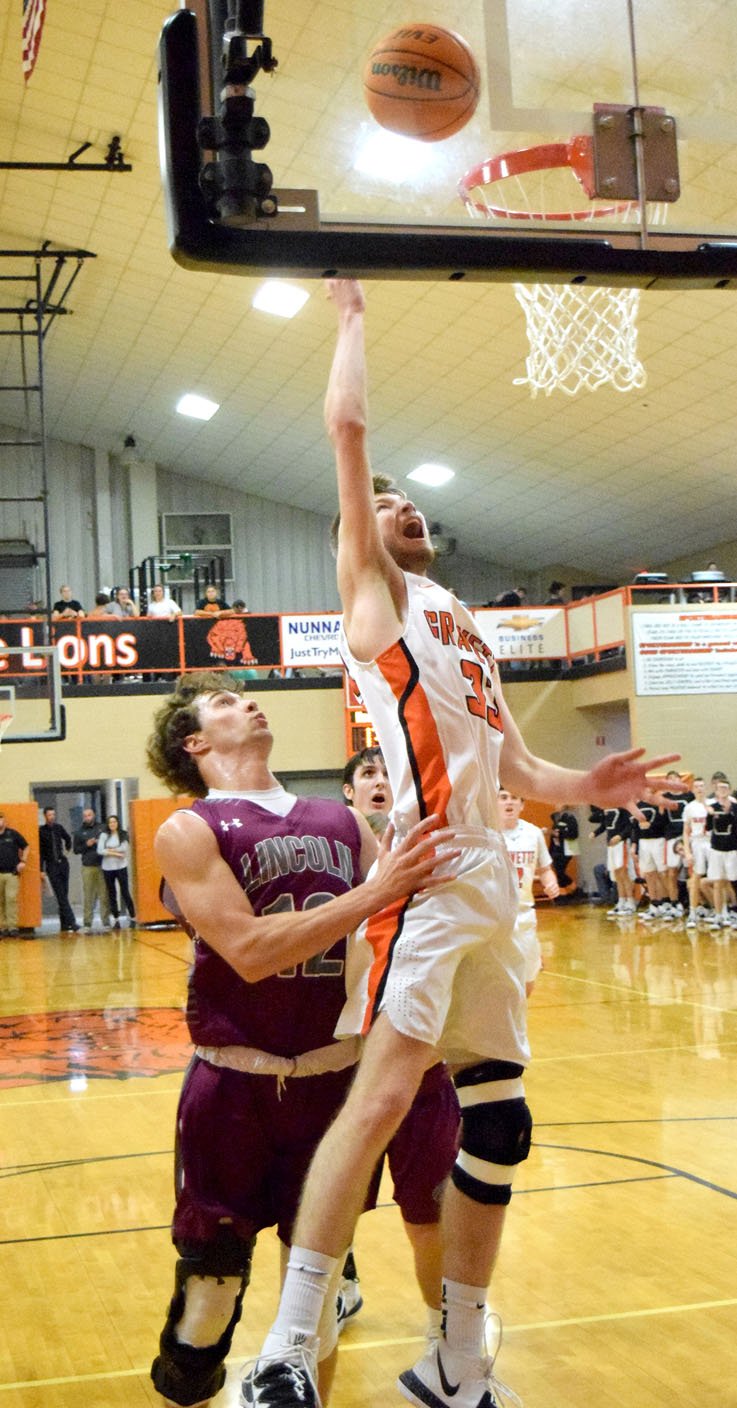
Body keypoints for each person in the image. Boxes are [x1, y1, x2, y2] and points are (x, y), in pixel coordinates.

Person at [245, 278, 683, 1408]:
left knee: (500, 1116)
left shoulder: (464, 624)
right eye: (380, 505)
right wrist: (347, 319)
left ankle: (457, 1356)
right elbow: (346, 433)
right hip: (431, 869)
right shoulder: (373, 600)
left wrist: (587, 781)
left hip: (495, 879)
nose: (399, 509)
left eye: (408, 504)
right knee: (385, 1093)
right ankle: (287, 1345)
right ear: (359, 534)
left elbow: (521, 770)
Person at [144, 670, 452, 1408]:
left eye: (244, 695)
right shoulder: (189, 828)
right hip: (232, 1081)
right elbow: (249, 952)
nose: (245, 701)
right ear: (194, 742)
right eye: (222, 703)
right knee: (210, 1290)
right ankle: (189, 1375)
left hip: (334, 1077)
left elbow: (402, 928)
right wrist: (376, 891)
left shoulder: (344, 820)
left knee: (313, 1274)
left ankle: (297, 1382)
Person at [338, 745, 461, 1341]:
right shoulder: (331, 865)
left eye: (390, 774)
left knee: (431, 1213)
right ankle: (337, 1291)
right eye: (368, 774)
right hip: (342, 1067)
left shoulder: (437, 858)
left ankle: (448, 1330)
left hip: (420, 1069)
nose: (380, 782)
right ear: (349, 794)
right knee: (329, 1206)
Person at [498, 789, 559, 992]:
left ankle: (517, 1017)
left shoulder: (533, 833)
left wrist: (551, 883)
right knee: (497, 978)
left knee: (528, 978)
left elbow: (545, 870)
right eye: (504, 797)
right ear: (495, 802)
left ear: (522, 805)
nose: (509, 802)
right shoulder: (488, 833)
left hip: (524, 914)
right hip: (495, 916)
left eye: (514, 798)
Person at [39, 807, 79, 932]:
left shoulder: (59, 828)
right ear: (45, 816)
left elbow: (68, 839)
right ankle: (72, 922)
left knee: (64, 894)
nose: (52, 816)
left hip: (63, 864)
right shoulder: (41, 831)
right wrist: (41, 869)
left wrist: (67, 851)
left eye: (53, 814)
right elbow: (41, 853)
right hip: (51, 865)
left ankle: (64, 924)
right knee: (60, 895)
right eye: (49, 814)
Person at [73, 807, 110, 932]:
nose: (88, 817)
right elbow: (76, 850)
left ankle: (106, 923)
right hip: (88, 867)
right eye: (85, 816)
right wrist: (86, 845)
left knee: (104, 895)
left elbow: (111, 842)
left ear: (94, 815)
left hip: (103, 866)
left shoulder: (103, 828)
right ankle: (87, 924)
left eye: (89, 815)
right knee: (88, 896)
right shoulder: (79, 832)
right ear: (83, 817)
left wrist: (101, 842)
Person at [97, 815, 136, 927]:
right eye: (110, 822)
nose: (112, 824)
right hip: (107, 868)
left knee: (125, 891)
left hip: (121, 867)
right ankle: (116, 917)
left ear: (117, 823)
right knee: (112, 893)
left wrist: (109, 849)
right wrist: (116, 853)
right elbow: (100, 850)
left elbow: (124, 849)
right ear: (108, 824)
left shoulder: (122, 834)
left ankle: (133, 915)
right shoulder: (104, 835)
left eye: (114, 822)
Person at [0, 812, 29, 936]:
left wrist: (23, 861)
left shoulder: (12, 834)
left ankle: (12, 927)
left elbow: (26, 846)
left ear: (4, 821)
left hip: (12, 873)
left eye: (1, 819)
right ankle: (2, 927)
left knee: (11, 899)